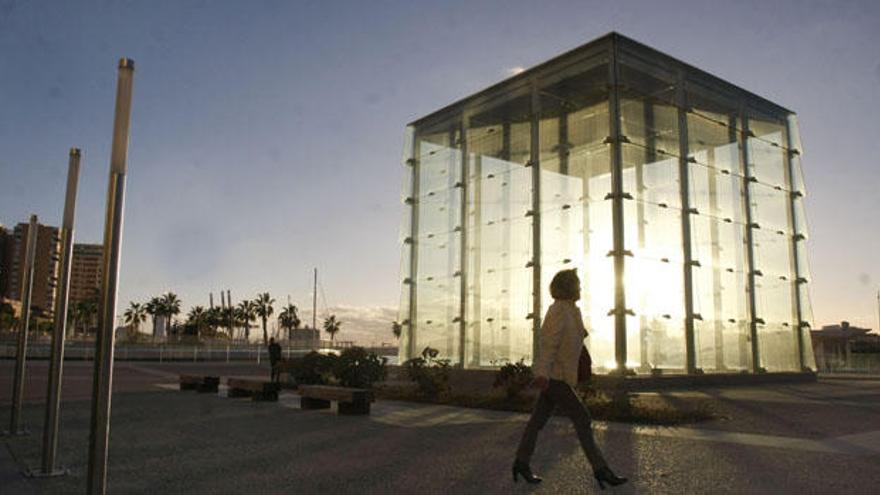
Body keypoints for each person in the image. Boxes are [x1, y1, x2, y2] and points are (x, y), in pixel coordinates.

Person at [512, 269, 627, 490]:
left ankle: (521, 463)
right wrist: (543, 374)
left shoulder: (573, 311)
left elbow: (572, 339)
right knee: (582, 418)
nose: (580, 287)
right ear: (568, 286)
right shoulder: (558, 311)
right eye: (577, 284)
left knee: (537, 422)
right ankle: (601, 470)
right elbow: (548, 345)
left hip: (559, 376)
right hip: (555, 378)